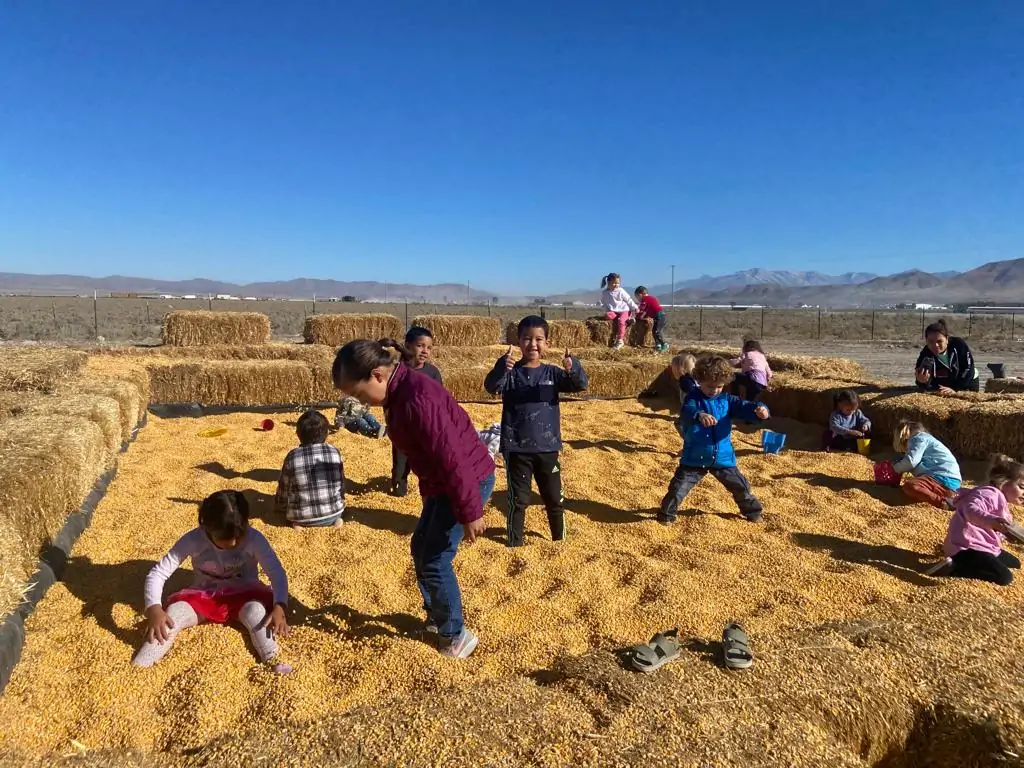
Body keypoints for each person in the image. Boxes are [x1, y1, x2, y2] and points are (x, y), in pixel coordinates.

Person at [332, 339, 495, 659]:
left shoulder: (417, 399)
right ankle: (437, 619)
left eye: (358, 393)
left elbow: (454, 459)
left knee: (435, 560)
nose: (360, 402)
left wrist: (471, 511)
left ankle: (455, 634)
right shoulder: (398, 390)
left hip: (465, 481)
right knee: (421, 547)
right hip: (442, 484)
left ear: (377, 375)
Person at [132, 490, 291, 673]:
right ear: (206, 527)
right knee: (173, 612)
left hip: (245, 595)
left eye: (239, 537)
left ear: (246, 524)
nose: (233, 543)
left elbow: (276, 573)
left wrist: (280, 605)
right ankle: (139, 666)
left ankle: (272, 658)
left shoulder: (254, 539)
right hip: (204, 596)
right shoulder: (193, 539)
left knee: (256, 612)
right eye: (222, 540)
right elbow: (158, 573)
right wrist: (153, 608)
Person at [483, 315, 589, 547]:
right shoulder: (510, 374)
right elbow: (491, 387)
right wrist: (502, 367)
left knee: (554, 498)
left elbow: (580, 385)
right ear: (518, 342)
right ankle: (514, 542)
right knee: (518, 500)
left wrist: (574, 367)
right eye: (527, 339)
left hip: (548, 447)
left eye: (539, 339)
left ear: (547, 343)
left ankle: (559, 540)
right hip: (516, 447)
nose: (533, 344)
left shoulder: (552, 373)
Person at [659, 355, 770, 525]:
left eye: (719, 387)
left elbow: (744, 407)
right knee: (677, 489)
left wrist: (760, 410)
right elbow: (687, 411)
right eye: (710, 386)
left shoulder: (727, 400)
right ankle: (666, 515)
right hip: (694, 457)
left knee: (741, 487)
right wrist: (699, 415)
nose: (714, 390)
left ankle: (753, 512)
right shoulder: (693, 398)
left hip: (723, 458)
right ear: (699, 380)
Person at [944, 453, 1022, 586]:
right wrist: (991, 520)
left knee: (1015, 564)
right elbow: (970, 508)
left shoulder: (1001, 500)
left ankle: (971, 563)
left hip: (984, 546)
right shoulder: (988, 493)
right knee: (1004, 577)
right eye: (1022, 487)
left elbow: (998, 526)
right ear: (1003, 482)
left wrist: (1010, 533)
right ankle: (956, 569)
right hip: (966, 547)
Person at [391, 326, 444, 497]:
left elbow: (440, 398)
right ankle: (399, 487)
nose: (425, 351)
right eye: (420, 346)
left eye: (429, 348)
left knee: (427, 460)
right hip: (402, 425)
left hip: (426, 426)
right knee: (401, 461)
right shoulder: (398, 371)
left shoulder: (432, 372)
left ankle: (428, 490)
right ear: (407, 346)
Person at [274, 409, 346, 529]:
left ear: (298, 434)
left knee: (294, 518)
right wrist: (340, 499)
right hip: (333, 512)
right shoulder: (334, 452)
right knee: (337, 515)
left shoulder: (292, 455)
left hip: (301, 516)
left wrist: (279, 505)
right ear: (326, 433)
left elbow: (284, 487)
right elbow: (341, 483)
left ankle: (297, 524)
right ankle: (336, 521)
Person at [892, 419, 962, 507]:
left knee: (910, 486)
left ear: (903, 435)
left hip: (942, 478)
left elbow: (911, 462)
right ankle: (948, 497)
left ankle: (942, 502)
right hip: (952, 482)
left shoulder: (917, 438)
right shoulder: (927, 439)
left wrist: (895, 468)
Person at [914, 318, 979, 394]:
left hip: (967, 380)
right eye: (931, 341)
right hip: (945, 382)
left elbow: (968, 368)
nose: (936, 345)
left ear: (947, 339)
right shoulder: (925, 354)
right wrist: (921, 381)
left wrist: (956, 390)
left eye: (939, 341)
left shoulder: (959, 344)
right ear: (926, 340)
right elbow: (921, 382)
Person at [600, 272, 639, 350]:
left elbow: (628, 300)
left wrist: (635, 307)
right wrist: (607, 312)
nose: (616, 285)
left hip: (624, 310)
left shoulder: (620, 291)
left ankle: (620, 340)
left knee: (621, 321)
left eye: (618, 283)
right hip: (614, 311)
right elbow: (605, 304)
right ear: (608, 282)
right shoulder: (605, 293)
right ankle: (627, 321)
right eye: (614, 283)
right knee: (608, 316)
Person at [634, 285, 669, 353]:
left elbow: (641, 309)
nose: (638, 300)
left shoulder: (645, 299)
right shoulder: (650, 299)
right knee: (654, 331)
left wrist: (636, 316)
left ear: (640, 295)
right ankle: (658, 344)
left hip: (660, 316)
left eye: (637, 297)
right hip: (659, 317)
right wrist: (640, 317)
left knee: (656, 331)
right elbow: (645, 312)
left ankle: (664, 344)